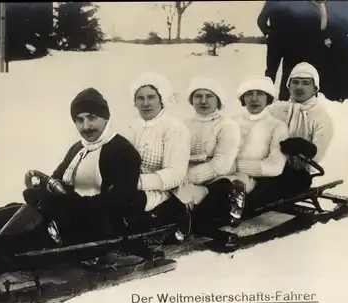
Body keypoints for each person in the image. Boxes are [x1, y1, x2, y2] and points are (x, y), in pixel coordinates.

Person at [0, 88, 145, 262]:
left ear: (106, 118)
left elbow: (119, 203)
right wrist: (41, 190)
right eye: (80, 120)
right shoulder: (78, 148)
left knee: (42, 220)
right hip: (69, 213)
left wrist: (71, 202)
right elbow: (56, 179)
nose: (86, 126)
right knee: (15, 209)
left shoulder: (122, 152)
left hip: (100, 224)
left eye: (92, 118)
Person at [208, 77, 290, 223]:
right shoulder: (230, 122)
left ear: (268, 98)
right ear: (243, 98)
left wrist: (234, 166)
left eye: (260, 94)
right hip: (219, 172)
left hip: (250, 180)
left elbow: (275, 166)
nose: (254, 99)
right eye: (249, 94)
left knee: (219, 192)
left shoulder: (278, 126)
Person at [122, 72, 192, 235]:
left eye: (151, 97)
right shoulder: (130, 127)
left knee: (121, 204)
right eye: (140, 98)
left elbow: (175, 174)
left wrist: (135, 183)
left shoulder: (174, 128)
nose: (145, 103)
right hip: (131, 188)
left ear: (161, 98)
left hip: (165, 193)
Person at [172, 75, 244, 231]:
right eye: (198, 96)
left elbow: (221, 165)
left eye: (209, 96)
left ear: (218, 100)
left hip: (216, 178)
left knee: (224, 188)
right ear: (192, 100)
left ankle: (204, 225)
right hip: (184, 177)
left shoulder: (227, 125)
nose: (203, 101)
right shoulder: (184, 124)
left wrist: (184, 176)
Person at [267, 62, 334, 198]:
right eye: (295, 82)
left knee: (271, 188)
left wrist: (303, 147)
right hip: (270, 165)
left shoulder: (320, 116)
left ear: (315, 88)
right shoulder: (277, 109)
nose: (299, 87)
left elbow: (318, 150)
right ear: (288, 86)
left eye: (306, 83)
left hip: (298, 172)